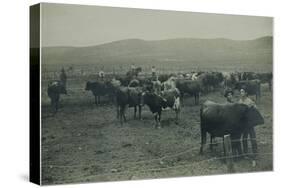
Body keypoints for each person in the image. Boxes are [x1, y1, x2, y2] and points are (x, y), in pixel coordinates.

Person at [238, 88, 258, 160]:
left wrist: (252, 107)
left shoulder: (249, 101)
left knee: (252, 137)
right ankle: (245, 153)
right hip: (244, 124)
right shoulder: (240, 101)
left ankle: (255, 153)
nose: (241, 93)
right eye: (240, 92)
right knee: (244, 138)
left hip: (250, 123)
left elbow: (256, 108)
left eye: (242, 91)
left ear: (246, 93)